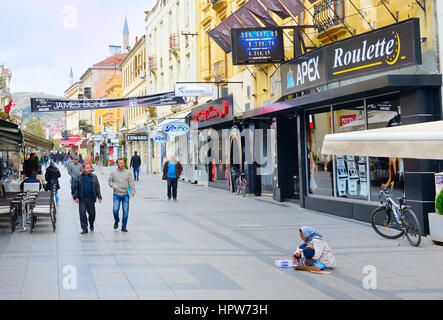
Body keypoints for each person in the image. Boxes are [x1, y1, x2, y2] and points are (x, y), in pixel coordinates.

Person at [74, 163, 102, 234]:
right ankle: (84, 228)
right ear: (83, 169)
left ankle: (91, 223)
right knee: (82, 214)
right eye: (87, 168)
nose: (89, 169)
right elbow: (76, 188)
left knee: (92, 214)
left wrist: (99, 197)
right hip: (82, 198)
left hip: (91, 199)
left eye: (89, 168)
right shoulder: (79, 177)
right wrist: (76, 197)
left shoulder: (94, 177)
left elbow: (97, 187)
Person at [108, 158, 135, 232]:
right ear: (117, 164)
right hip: (116, 194)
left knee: (125, 211)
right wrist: (113, 185)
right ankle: (117, 220)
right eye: (120, 163)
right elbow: (110, 181)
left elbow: (131, 183)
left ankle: (124, 226)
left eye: (123, 163)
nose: (122, 164)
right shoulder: (113, 173)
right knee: (115, 210)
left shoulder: (128, 173)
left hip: (125, 195)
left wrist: (133, 192)